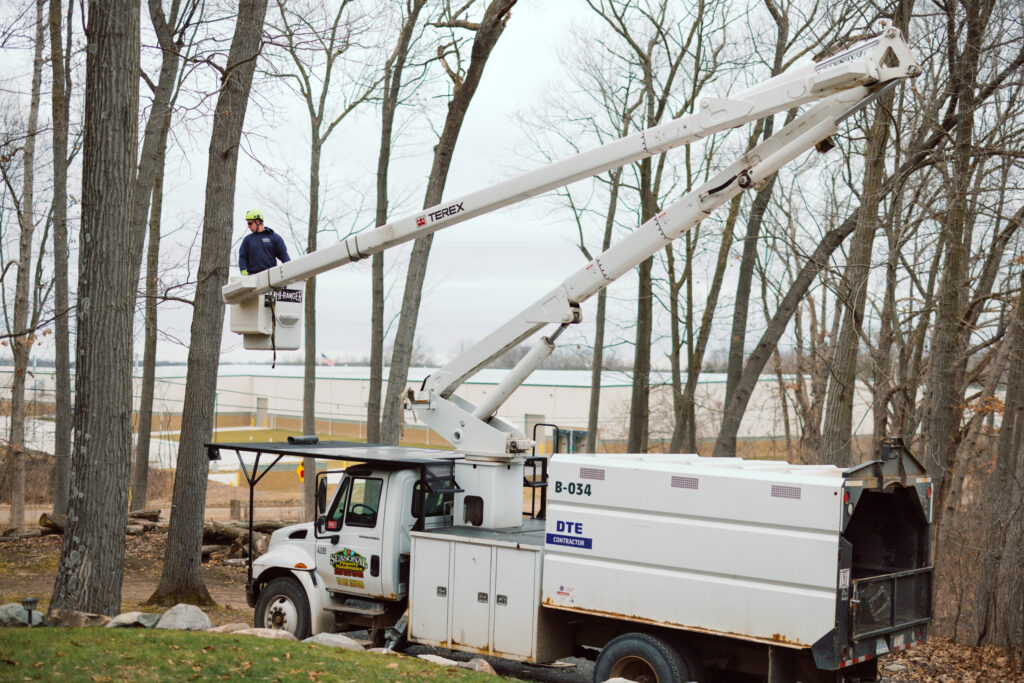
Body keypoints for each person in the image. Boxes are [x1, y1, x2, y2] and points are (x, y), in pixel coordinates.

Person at [239, 209, 290, 275]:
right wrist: (243, 270)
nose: (248, 226)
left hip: (271, 277)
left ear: (257, 221)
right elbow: (243, 257)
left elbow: (284, 256)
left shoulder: (274, 238)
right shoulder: (248, 239)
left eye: (250, 223)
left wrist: (289, 271)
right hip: (252, 277)